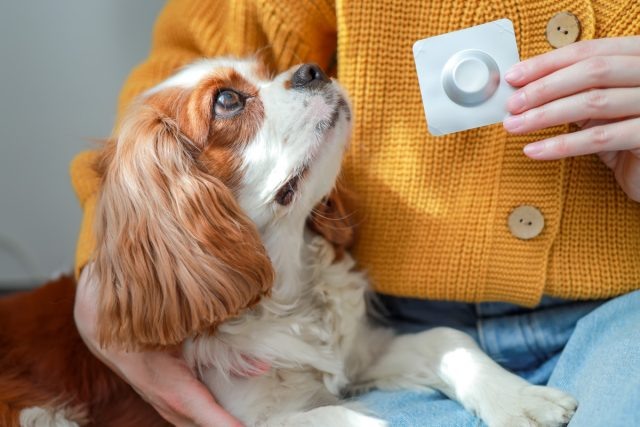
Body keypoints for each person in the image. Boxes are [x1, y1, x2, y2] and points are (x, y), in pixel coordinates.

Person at [71, 1, 640, 425]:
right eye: (229, 101)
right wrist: (113, 256)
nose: (301, 76)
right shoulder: (189, 273)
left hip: (620, 312)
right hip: (399, 319)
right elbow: (191, 53)